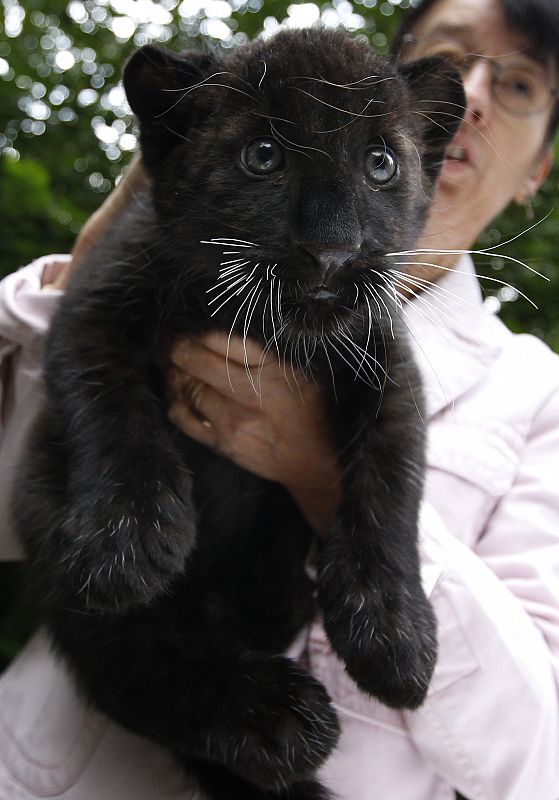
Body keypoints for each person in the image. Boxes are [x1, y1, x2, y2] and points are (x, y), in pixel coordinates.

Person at [1, 0, 558, 797]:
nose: (473, 91)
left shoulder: (538, 397)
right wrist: (76, 300)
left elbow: (542, 758)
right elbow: (36, 493)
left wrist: (349, 518)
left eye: (517, 84)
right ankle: (198, 700)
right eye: (264, 156)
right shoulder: (156, 254)